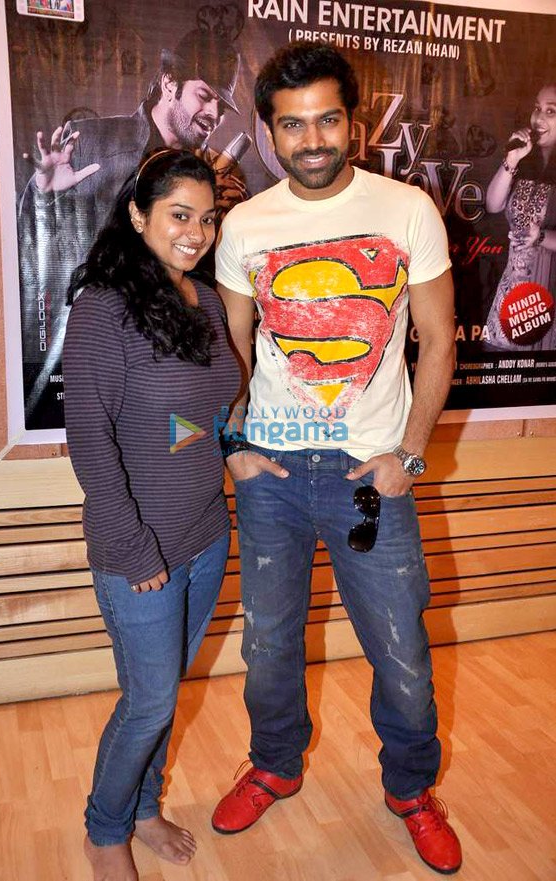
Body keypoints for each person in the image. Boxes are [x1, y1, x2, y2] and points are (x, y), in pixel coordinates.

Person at [211, 42, 462, 876]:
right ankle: (275, 764)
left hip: (369, 478)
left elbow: (437, 342)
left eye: (326, 120)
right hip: (272, 477)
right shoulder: (244, 224)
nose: (311, 139)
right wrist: (232, 447)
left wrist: (409, 456)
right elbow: (228, 350)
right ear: (267, 132)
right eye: (292, 125)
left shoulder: (406, 210)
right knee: (268, 646)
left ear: (353, 123)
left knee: (401, 653)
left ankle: (411, 789)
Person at [63, 149, 241, 881]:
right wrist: (135, 549)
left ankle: (142, 809)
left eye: (207, 218)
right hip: (139, 550)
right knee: (149, 701)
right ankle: (105, 831)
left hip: (206, 534)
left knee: (163, 698)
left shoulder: (203, 299)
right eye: (179, 215)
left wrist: (232, 450)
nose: (196, 232)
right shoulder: (103, 308)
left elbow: (197, 414)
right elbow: (90, 441)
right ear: (138, 215)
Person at [19, 15, 249, 429]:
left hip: (175, 376)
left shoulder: (214, 177)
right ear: (169, 82)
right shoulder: (90, 142)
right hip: (104, 355)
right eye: (205, 96)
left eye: (222, 105)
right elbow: (34, 254)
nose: (214, 113)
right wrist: (42, 197)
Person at [485, 81, 556, 350]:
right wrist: (512, 159)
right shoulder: (526, 161)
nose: (539, 118)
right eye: (537, 108)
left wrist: (541, 238)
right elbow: (493, 204)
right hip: (513, 296)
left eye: (551, 111)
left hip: (549, 292)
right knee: (501, 368)